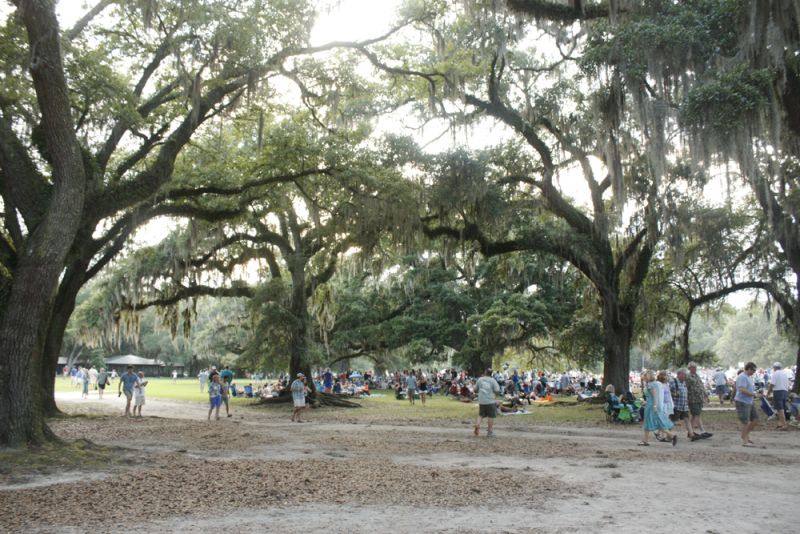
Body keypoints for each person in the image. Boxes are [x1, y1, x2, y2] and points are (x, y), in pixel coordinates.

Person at [639, 370, 677, 446]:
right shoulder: (655, 384)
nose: (644, 377)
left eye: (645, 376)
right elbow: (655, 397)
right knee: (658, 422)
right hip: (652, 405)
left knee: (648, 422)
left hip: (651, 407)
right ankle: (671, 436)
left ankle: (645, 441)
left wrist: (654, 406)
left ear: (648, 376)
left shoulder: (650, 385)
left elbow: (654, 396)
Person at [735, 362, 760, 447]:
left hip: (749, 401)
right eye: (753, 370)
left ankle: (744, 435)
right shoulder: (742, 377)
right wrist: (754, 394)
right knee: (744, 421)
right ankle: (745, 441)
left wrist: (755, 393)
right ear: (749, 368)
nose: (754, 372)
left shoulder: (748, 377)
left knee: (755, 419)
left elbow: (749, 389)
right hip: (742, 402)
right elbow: (742, 389)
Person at [670, 369, 698, 441]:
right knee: (672, 421)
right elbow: (667, 392)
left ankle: (691, 435)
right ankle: (668, 435)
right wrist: (674, 394)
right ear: (679, 374)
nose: (685, 376)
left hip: (684, 406)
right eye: (684, 374)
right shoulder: (673, 382)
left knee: (687, 420)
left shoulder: (684, 382)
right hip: (676, 406)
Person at [686, 362, 712, 439]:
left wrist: (705, 394)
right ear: (689, 368)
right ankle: (702, 431)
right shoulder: (688, 377)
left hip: (699, 398)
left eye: (695, 367)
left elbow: (701, 385)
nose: (695, 368)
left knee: (694, 415)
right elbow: (686, 388)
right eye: (693, 367)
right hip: (692, 399)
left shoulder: (697, 376)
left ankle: (690, 432)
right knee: (697, 414)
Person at [474, 368, 500, 437]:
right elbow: (497, 390)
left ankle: (477, 425)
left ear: (485, 372)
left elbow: (475, 390)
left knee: (481, 415)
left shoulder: (480, 379)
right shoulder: (492, 380)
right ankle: (490, 432)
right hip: (490, 401)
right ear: (491, 373)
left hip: (482, 401)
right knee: (491, 416)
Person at [767, 362, 789, 430]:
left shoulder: (775, 374)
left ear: (774, 368)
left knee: (780, 409)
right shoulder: (784, 374)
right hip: (785, 391)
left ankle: (784, 425)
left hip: (778, 391)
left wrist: (768, 392)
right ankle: (780, 424)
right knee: (782, 408)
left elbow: (772, 384)